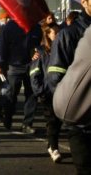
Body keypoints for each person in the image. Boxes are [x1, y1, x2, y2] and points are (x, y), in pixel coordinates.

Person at [47, 0, 91, 174]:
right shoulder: (68, 35)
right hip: (82, 123)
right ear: (84, 1)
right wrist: (74, 107)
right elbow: (55, 77)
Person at [0, 16, 40, 133]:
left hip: (32, 66)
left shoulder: (35, 26)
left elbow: (41, 43)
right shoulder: (9, 27)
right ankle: (8, 118)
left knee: (32, 95)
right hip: (14, 66)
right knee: (11, 95)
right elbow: (2, 47)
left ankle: (27, 124)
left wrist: (38, 51)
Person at [29, 22, 62, 163]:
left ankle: (51, 144)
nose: (58, 35)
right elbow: (34, 73)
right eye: (55, 33)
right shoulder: (41, 52)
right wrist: (40, 91)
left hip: (61, 92)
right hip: (47, 93)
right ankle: (54, 148)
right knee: (52, 121)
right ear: (47, 35)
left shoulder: (63, 49)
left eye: (58, 32)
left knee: (58, 122)